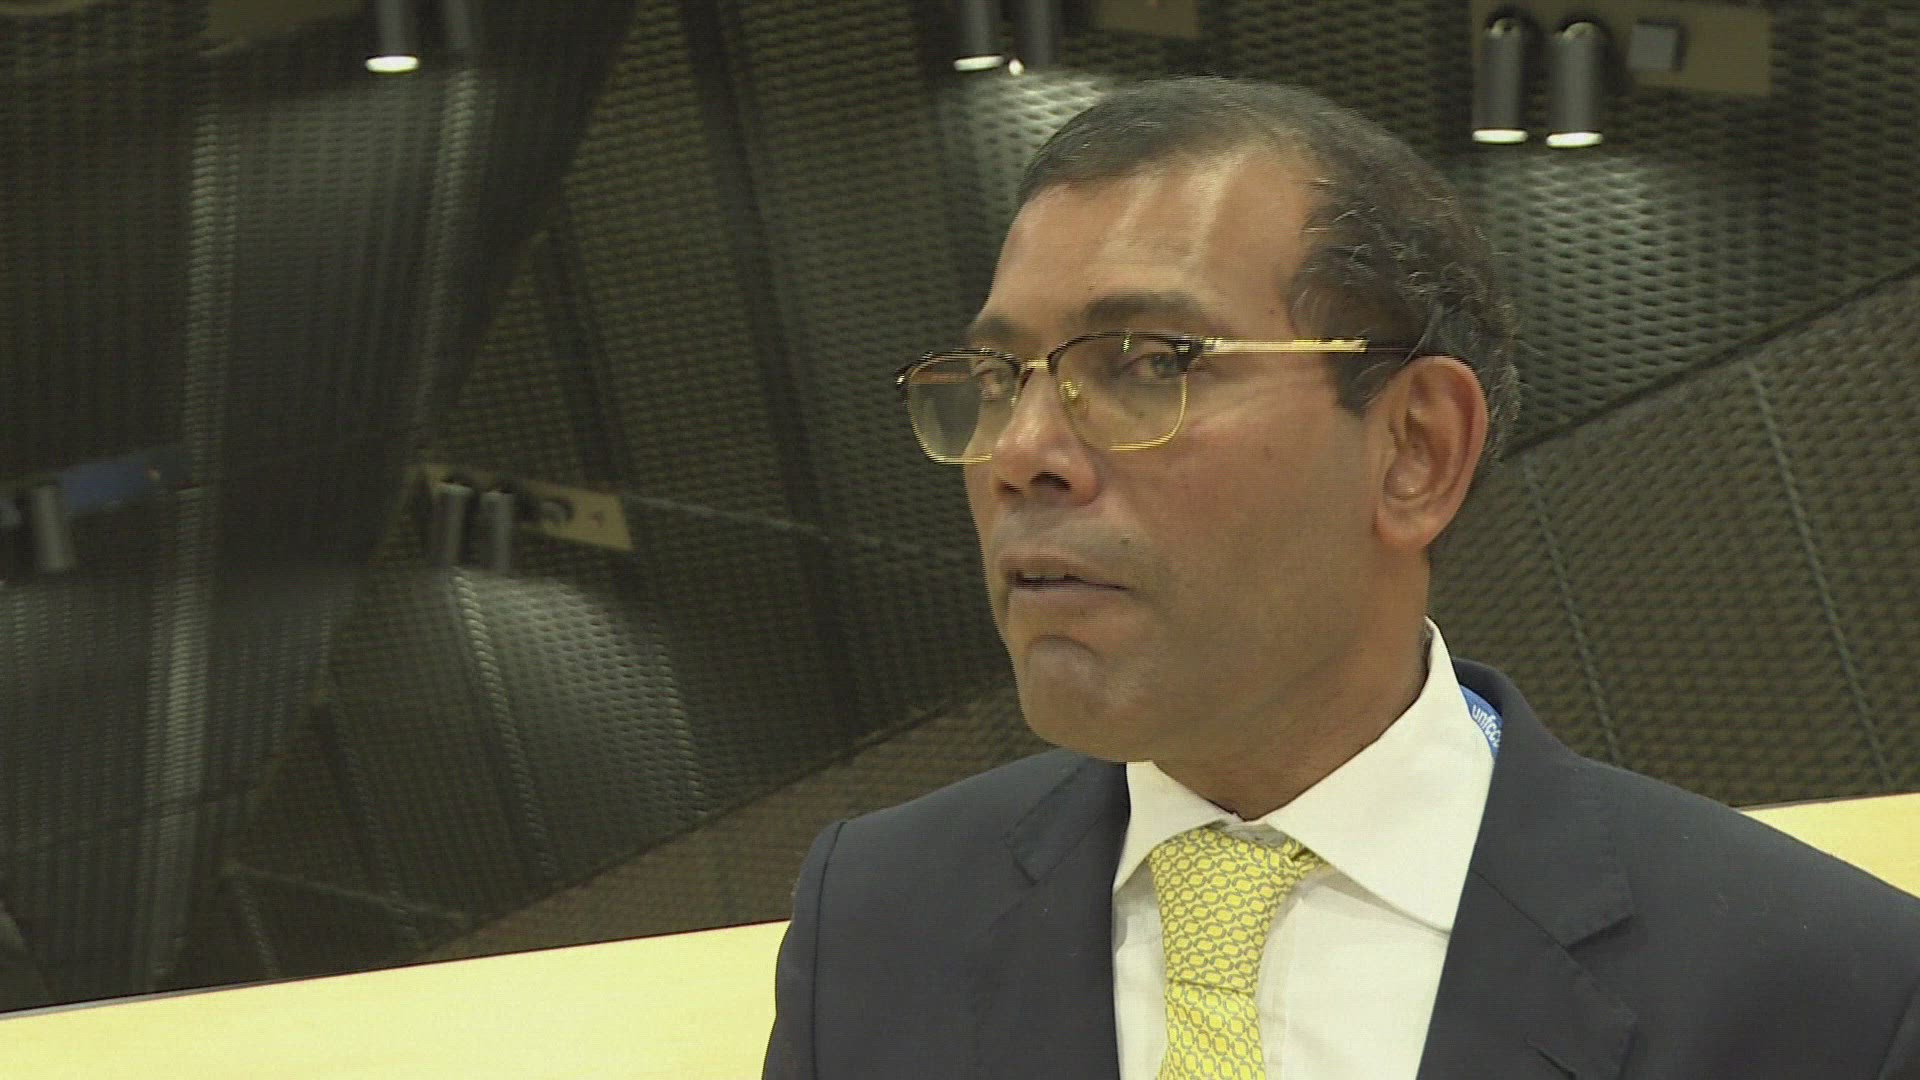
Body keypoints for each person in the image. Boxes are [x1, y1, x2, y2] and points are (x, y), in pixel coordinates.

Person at [760, 77, 1920, 1079]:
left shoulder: (1822, 990)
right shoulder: (876, 919)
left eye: (1150, 363)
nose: (1020, 452)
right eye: (997, 376)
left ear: (1415, 450)